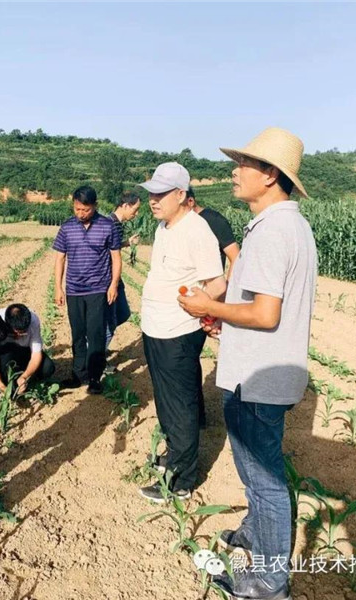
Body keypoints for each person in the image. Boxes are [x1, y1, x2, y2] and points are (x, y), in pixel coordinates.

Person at [179, 128, 317, 600]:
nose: (233, 171)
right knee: (262, 478)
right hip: (261, 371)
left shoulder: (274, 230)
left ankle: (270, 583)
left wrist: (209, 309)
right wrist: (226, 321)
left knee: (265, 484)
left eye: (244, 164)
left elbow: (265, 313)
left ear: (271, 175)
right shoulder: (282, 224)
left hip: (258, 381)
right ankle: (254, 538)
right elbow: (258, 309)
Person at [136, 162, 226, 504]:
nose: (153, 200)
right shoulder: (164, 227)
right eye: (151, 193)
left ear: (181, 195)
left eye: (160, 194)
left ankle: (183, 480)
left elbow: (216, 283)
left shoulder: (197, 230)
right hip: (155, 328)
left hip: (178, 331)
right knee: (165, 399)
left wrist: (204, 310)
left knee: (182, 404)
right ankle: (174, 457)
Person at [53, 185, 122, 394]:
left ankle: (94, 377)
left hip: (98, 288)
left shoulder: (108, 226)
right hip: (74, 289)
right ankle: (78, 374)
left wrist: (113, 285)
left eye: (85, 209)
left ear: (95, 206)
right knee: (78, 333)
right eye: (77, 209)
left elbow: (116, 258)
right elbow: (60, 258)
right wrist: (58, 287)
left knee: (96, 333)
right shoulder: (66, 227)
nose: (81, 213)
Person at [186, 185, 241, 427]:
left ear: (187, 201)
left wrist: (224, 295)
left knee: (190, 355)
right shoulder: (180, 224)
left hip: (209, 297)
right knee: (188, 357)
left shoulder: (213, 220)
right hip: (190, 299)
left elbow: (235, 256)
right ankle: (195, 414)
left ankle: (198, 416)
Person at [104, 191, 141, 371]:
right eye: (135, 209)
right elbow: (110, 254)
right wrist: (112, 283)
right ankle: (96, 357)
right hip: (110, 280)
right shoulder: (112, 224)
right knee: (111, 320)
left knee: (123, 313)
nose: (136, 213)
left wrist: (127, 242)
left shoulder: (115, 223)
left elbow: (113, 247)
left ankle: (96, 347)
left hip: (114, 279)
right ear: (125, 205)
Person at [0, 303, 56, 396]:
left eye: (23, 332)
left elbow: (36, 354)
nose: (19, 336)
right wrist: (0, 385)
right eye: (16, 332)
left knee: (48, 367)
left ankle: (22, 381)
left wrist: (24, 376)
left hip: (24, 350)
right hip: (5, 355)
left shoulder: (33, 320)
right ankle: (12, 384)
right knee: (6, 361)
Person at [186, 185, 240, 275]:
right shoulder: (174, 224)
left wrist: (228, 286)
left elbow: (235, 257)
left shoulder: (214, 220)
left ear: (190, 201)